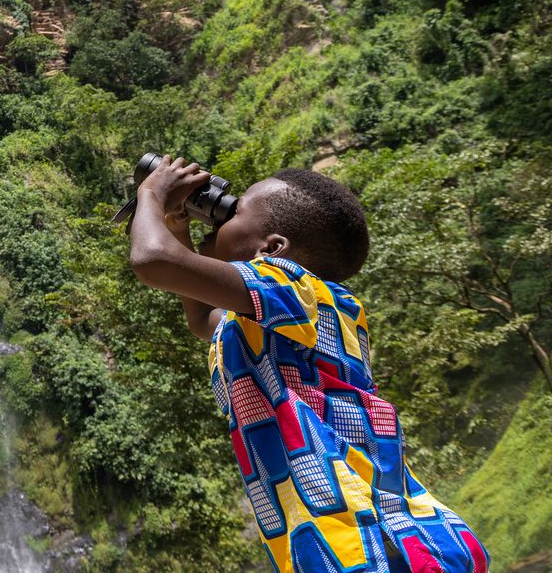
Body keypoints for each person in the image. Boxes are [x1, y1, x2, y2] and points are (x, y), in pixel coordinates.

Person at [128, 155, 489, 572]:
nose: (220, 216)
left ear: (273, 250)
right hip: (354, 538)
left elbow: (153, 260)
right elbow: (202, 320)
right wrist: (177, 224)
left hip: (372, 537)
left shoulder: (297, 287)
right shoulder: (277, 314)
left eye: (235, 210)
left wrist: (152, 194)